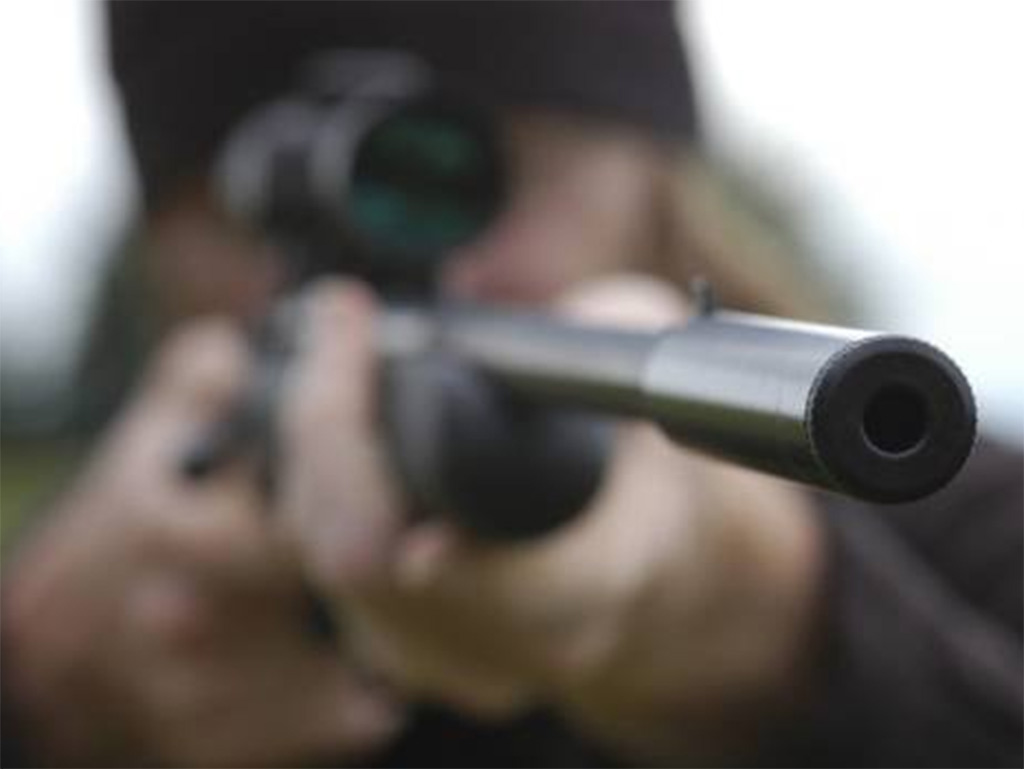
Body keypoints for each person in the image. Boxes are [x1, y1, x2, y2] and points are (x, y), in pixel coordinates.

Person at [1, 2, 1021, 767]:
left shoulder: (957, 515)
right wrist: (48, 698)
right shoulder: (110, 578)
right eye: (256, 215)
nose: (432, 271)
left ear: (646, 174)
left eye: (474, 173)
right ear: (164, 243)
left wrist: (782, 640)